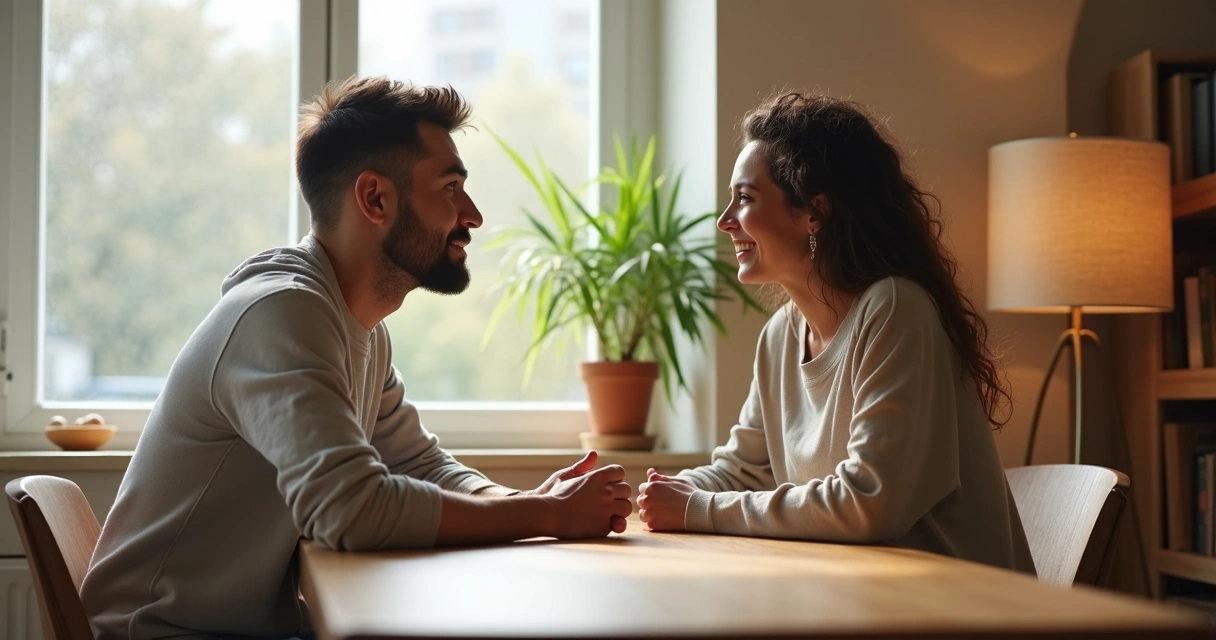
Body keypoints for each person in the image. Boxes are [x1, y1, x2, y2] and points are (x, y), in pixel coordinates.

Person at [80, 77, 633, 639]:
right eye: (450, 188)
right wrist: (545, 516)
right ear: (374, 199)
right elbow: (350, 511)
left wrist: (525, 500)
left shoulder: (356, 326)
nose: (473, 215)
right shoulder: (281, 314)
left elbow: (420, 465)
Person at [637, 91, 1035, 574]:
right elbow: (742, 471)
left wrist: (694, 509)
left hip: (958, 609)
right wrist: (653, 493)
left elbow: (870, 501)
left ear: (814, 213)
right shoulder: (780, 336)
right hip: (858, 593)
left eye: (744, 198)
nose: (725, 222)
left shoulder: (895, 308)